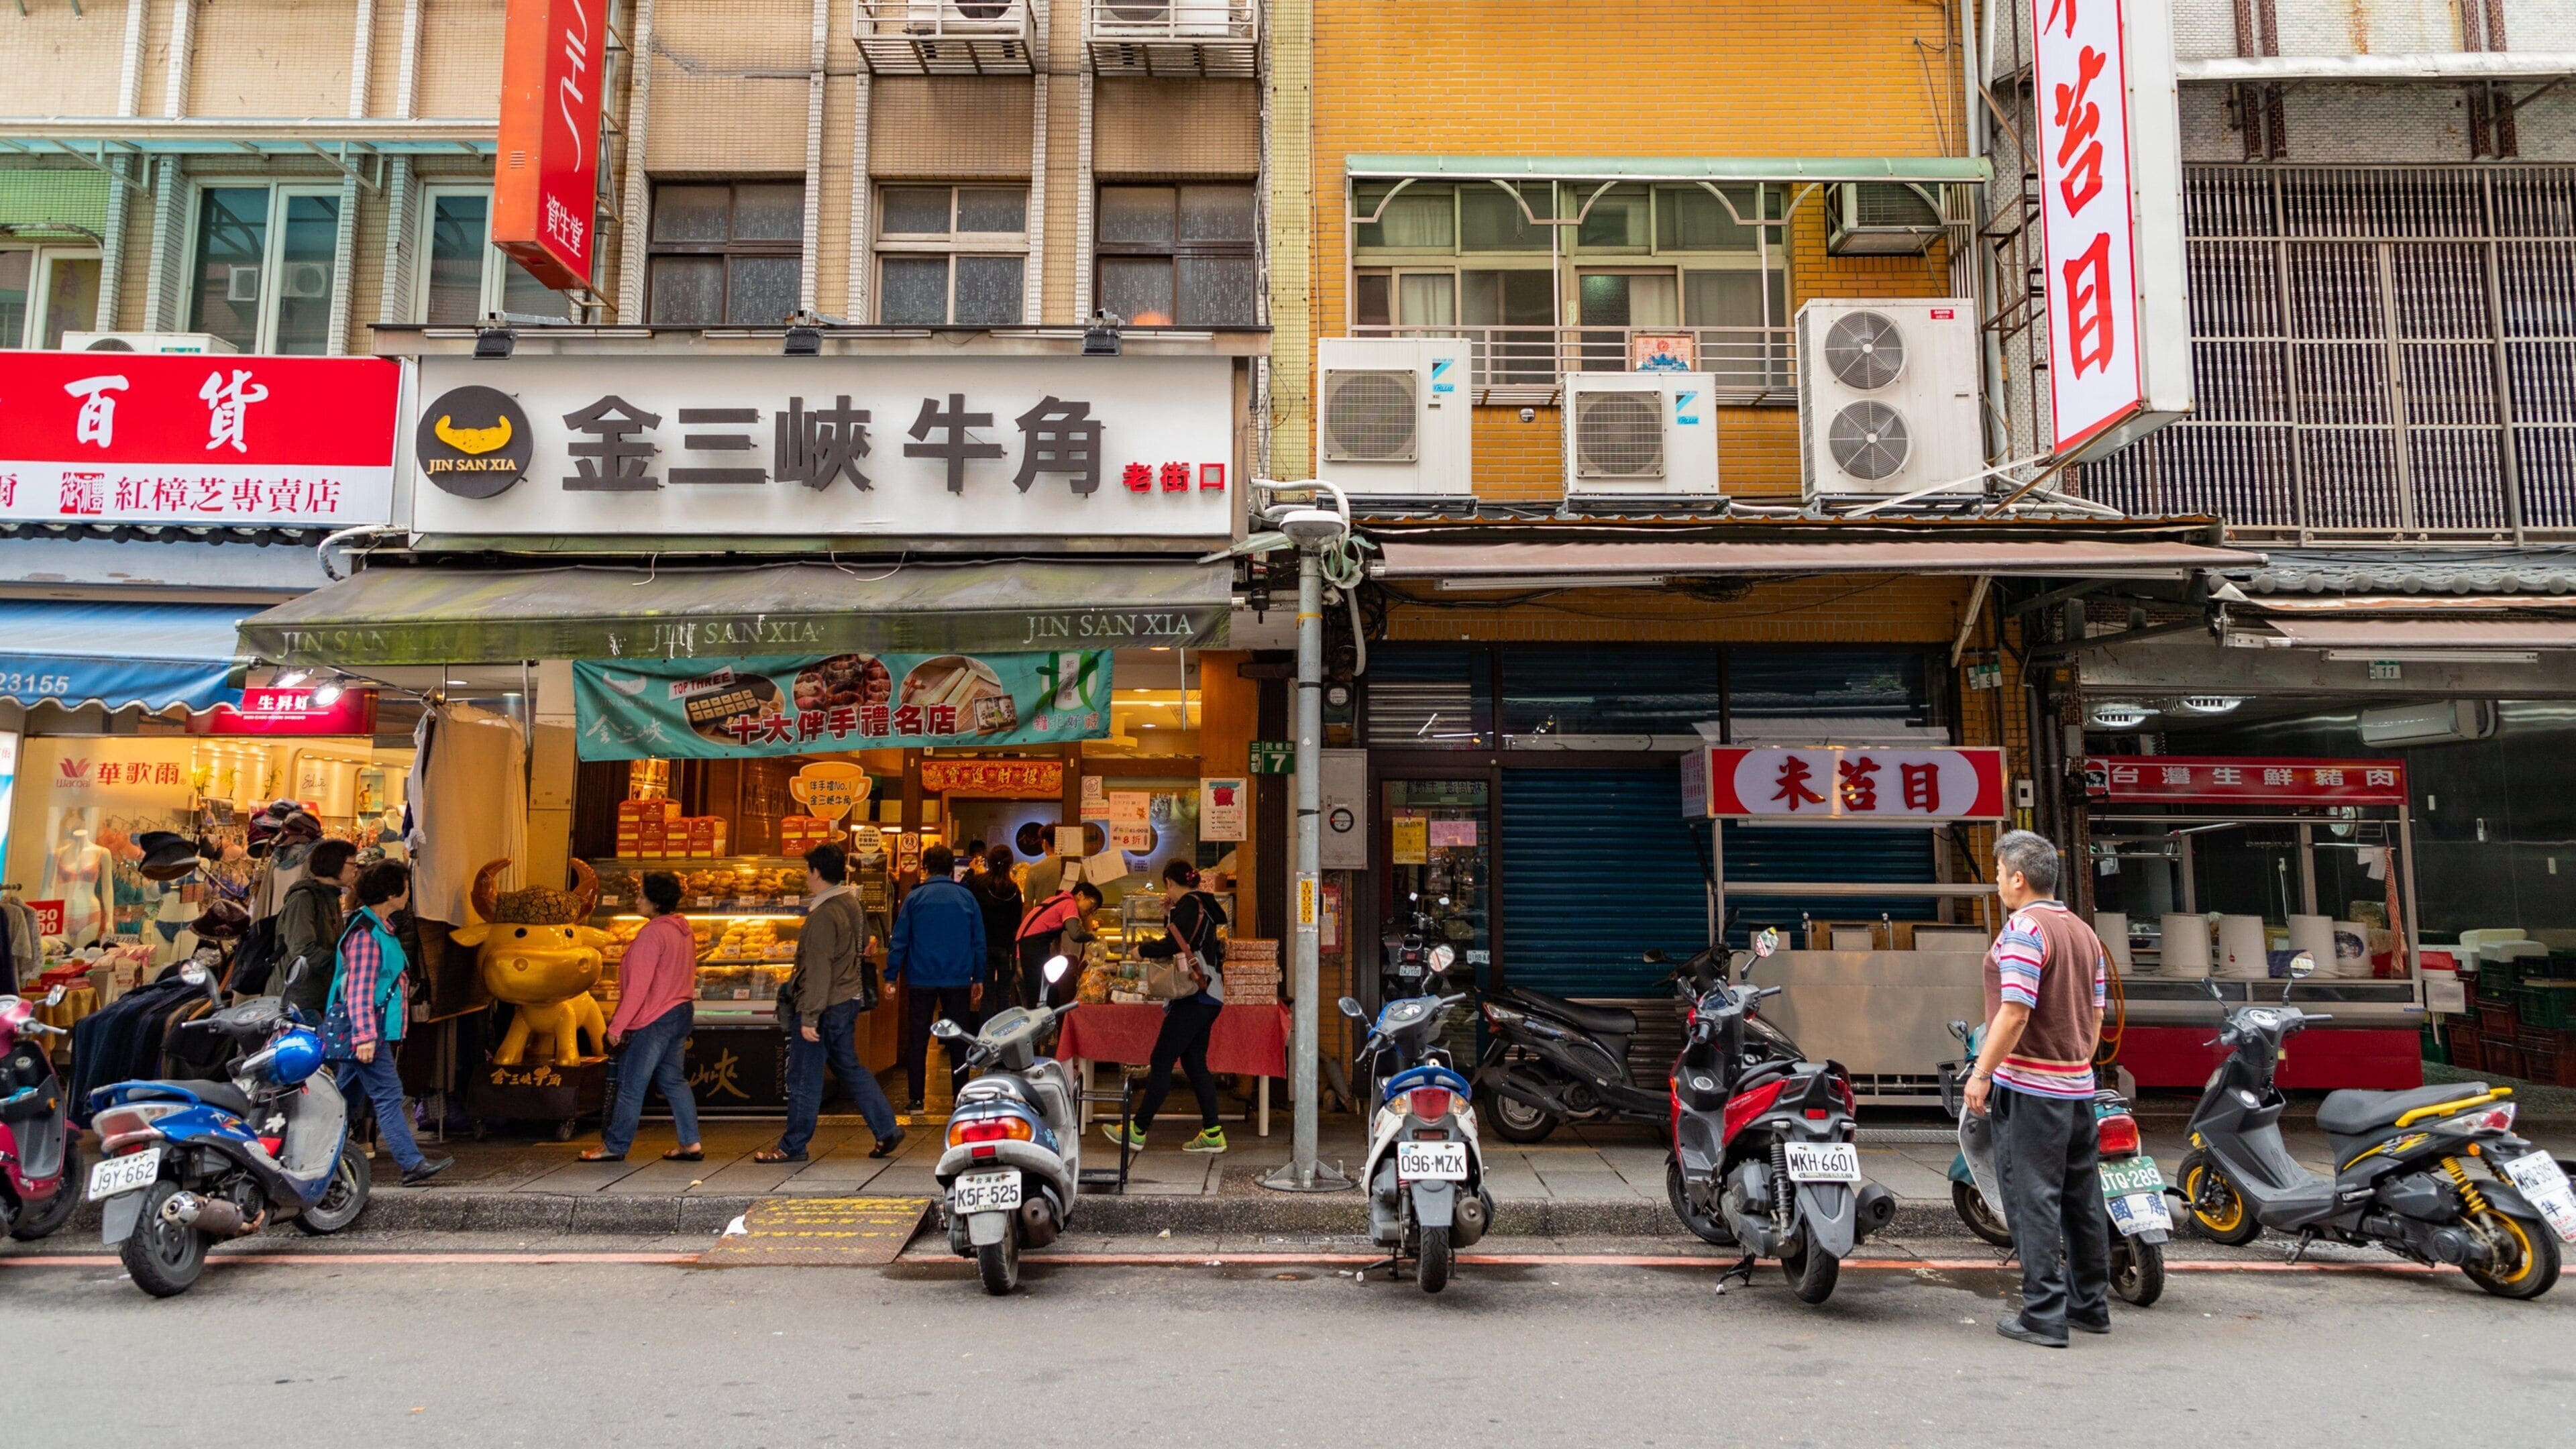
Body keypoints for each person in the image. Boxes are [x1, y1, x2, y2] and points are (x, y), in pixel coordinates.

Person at [1963, 828, 2113, 1348]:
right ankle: (2089, 1306)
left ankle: (2044, 1314)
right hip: (2077, 1089)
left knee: (2034, 1202)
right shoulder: (2084, 933)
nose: (1997, 883)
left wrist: (1983, 1072)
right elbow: (2096, 1014)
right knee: (2082, 1200)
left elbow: (2014, 1013)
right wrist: (2074, 1062)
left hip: (2031, 1091)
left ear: (2019, 879)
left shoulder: (2025, 930)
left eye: (1999, 874)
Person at [757, 843, 903, 1163]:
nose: (806, 877)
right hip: (847, 999)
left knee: (804, 1075)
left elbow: (819, 969)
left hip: (824, 1004)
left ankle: (793, 1145)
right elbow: (864, 944)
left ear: (817, 872)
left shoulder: (824, 915)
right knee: (848, 1067)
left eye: (808, 871)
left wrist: (809, 1016)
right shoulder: (852, 903)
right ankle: (887, 1128)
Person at [327, 861, 451, 1186]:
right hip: (367, 1030)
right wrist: (366, 1037)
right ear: (392, 893)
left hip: (367, 1029)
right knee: (388, 1094)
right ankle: (411, 1163)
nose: (409, 893)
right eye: (406, 887)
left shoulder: (376, 928)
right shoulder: (367, 935)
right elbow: (359, 989)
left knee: (341, 1098)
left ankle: (315, 1157)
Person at [1103, 861, 1228, 1156]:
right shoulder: (1201, 904)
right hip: (1209, 995)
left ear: (1170, 882)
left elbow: (1173, 945)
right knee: (1194, 1063)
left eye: (1166, 887)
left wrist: (1142, 950)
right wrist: (1170, 914)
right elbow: (1185, 939)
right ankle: (1213, 1133)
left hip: (1194, 995)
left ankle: (1137, 1130)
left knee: (1161, 1060)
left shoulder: (1190, 904)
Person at [584, 871, 703, 1163]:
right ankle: (691, 1142)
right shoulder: (682, 930)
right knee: (673, 1080)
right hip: (680, 1012)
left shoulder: (653, 934)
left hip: (654, 1017)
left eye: (641, 896)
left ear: (655, 902)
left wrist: (616, 1026)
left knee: (631, 1085)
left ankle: (615, 1145)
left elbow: (639, 987)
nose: (637, 900)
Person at [886, 843, 986, 1111]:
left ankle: (916, 1099)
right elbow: (978, 941)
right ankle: (960, 1097)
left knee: (918, 1039)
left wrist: (891, 975)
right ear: (951, 869)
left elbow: (900, 940)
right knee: (959, 1039)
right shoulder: (966, 897)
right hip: (958, 977)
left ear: (926, 868)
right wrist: (979, 976)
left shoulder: (915, 898)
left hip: (921, 977)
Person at [276, 838, 357, 1022]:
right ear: (335, 864)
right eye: (353, 864)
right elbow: (302, 951)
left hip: (318, 996)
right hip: (299, 1000)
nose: (356, 870)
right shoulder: (303, 899)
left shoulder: (331, 897)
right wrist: (345, 963)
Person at [1016, 879, 1102, 1008]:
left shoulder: (1059, 900)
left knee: (1045, 992)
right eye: (1093, 904)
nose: (1092, 911)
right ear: (1080, 895)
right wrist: (1093, 937)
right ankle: (1046, 1020)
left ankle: (1048, 1019)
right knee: (1042, 995)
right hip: (1031, 949)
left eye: (1095, 910)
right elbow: (1075, 934)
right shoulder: (1070, 903)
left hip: (1027, 948)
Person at [971, 845, 1025, 1006]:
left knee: (985, 995)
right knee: (1004, 995)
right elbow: (1017, 920)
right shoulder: (1014, 890)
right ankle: (1003, 1022)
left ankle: (985, 1022)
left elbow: (965, 889)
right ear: (1010, 864)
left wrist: (972, 870)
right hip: (1005, 948)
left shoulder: (978, 884)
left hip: (983, 945)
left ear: (990, 862)